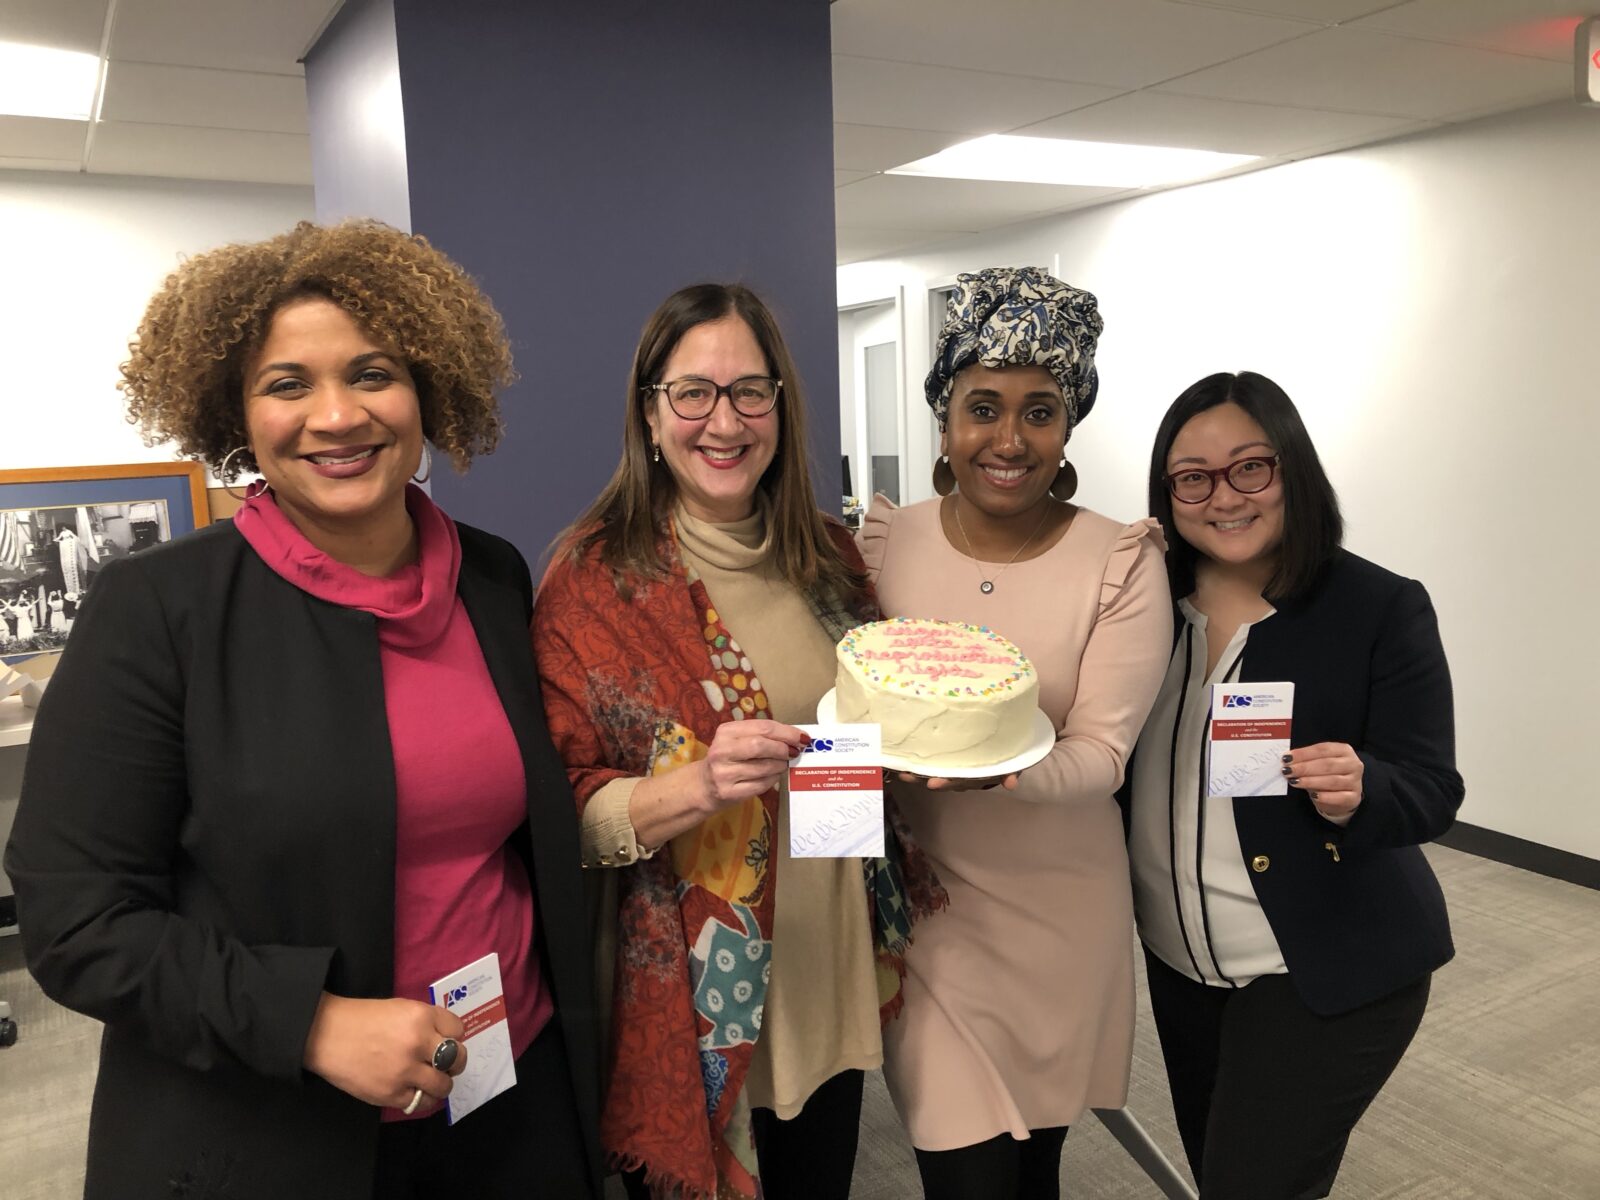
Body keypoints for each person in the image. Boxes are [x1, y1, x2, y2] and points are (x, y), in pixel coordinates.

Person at [4, 220, 602, 1199]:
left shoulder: (491, 577)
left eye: (372, 374)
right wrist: (313, 1023)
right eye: (287, 384)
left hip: (505, 1087)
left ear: (426, 390)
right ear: (236, 414)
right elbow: (75, 918)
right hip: (273, 1127)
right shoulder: (160, 609)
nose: (336, 415)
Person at [533, 282, 945, 1200]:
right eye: (693, 393)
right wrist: (699, 786)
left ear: (780, 409)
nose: (724, 421)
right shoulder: (594, 581)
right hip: (692, 1001)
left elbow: (868, 726)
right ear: (650, 415)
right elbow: (559, 807)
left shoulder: (829, 556)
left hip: (826, 963)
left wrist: (935, 752)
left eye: (750, 391)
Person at [858, 267, 1173, 1199]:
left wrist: (991, 772)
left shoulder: (1121, 560)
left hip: (1057, 915)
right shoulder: (884, 542)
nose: (1008, 439)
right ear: (944, 420)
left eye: (1040, 412)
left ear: (1068, 426)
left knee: (1033, 1167)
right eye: (982, 408)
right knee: (961, 1165)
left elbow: (1102, 752)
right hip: (925, 916)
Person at [1126, 371, 1463, 1199]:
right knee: (1223, 1173)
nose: (1224, 497)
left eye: (1250, 467)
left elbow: (1432, 788)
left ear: (1292, 468)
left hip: (1321, 963)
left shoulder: (1376, 607)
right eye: (1193, 478)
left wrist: (1365, 786)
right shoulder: (1140, 605)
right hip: (1179, 963)